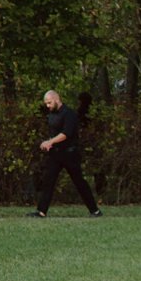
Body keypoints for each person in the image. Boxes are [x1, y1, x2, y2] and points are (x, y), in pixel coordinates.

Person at [34, 89, 101, 218]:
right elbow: (54, 132)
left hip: (70, 154)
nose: (47, 106)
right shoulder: (52, 115)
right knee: (48, 180)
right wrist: (49, 143)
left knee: (79, 182)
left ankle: (95, 211)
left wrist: (50, 142)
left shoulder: (69, 114)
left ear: (56, 99)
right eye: (46, 103)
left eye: (49, 102)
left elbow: (66, 134)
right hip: (55, 154)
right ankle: (41, 211)